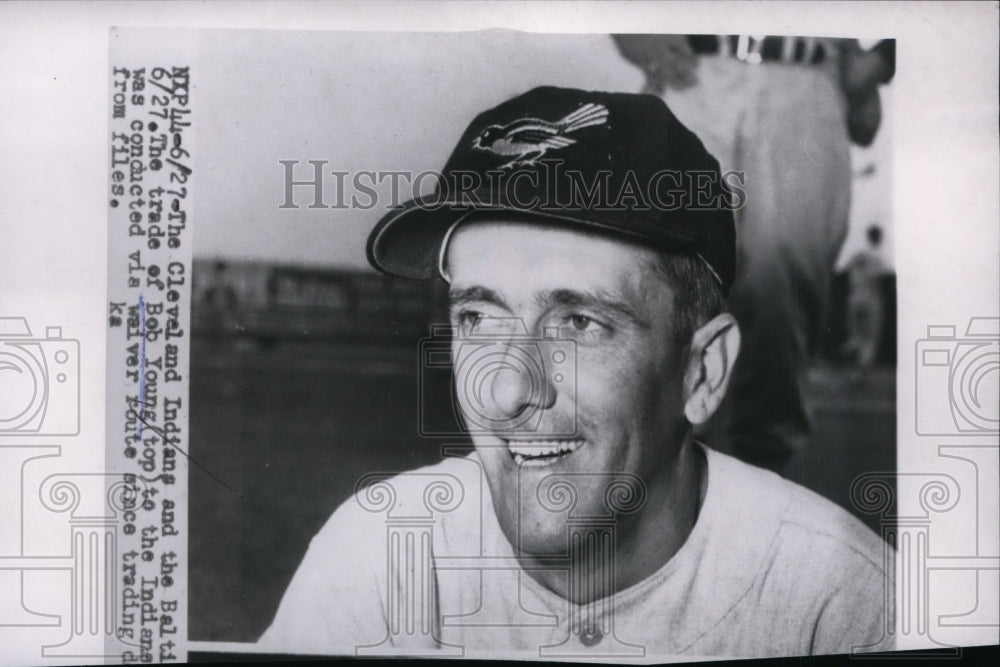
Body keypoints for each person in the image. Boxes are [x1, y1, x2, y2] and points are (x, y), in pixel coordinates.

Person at [258, 86, 892, 658]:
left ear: (701, 373)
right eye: (479, 317)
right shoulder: (379, 557)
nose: (506, 390)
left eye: (580, 324)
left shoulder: (842, 605)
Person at [613, 35, 895, 480]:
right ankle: (665, 484)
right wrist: (630, 29)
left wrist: (884, 57)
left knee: (783, 276)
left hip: (805, 79)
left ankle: (764, 478)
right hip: (696, 69)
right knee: (674, 267)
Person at [841, 225, 889, 378]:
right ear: (879, 238)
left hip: (854, 298)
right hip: (872, 300)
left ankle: (853, 347)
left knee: (857, 335)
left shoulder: (858, 254)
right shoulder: (879, 258)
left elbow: (844, 269)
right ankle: (860, 371)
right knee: (869, 338)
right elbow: (883, 279)